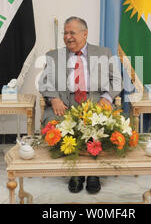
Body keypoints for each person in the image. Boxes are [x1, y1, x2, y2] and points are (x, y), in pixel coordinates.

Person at [39, 16, 122, 194]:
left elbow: (116, 81)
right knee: (58, 125)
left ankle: (94, 173)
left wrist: (107, 98)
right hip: (65, 102)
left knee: (101, 125)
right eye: (65, 33)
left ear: (84, 34)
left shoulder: (103, 53)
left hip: (95, 101)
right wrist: (54, 98)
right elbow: (44, 82)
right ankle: (75, 172)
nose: (68, 37)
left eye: (72, 33)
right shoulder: (53, 56)